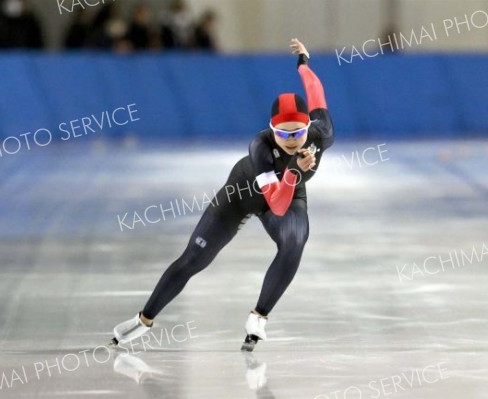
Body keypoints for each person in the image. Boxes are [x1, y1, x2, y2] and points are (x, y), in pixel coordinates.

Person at [110, 38, 334, 352]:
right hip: (242, 193)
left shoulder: (320, 134)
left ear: (309, 127)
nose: (292, 140)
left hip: (287, 194)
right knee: (193, 259)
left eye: (297, 132)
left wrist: (304, 63)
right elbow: (276, 203)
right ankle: (144, 319)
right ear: (272, 130)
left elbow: (316, 92)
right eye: (283, 134)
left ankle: (259, 317)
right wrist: (294, 171)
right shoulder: (260, 147)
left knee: (295, 240)